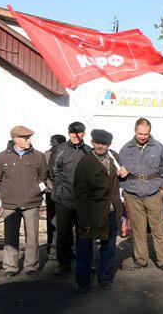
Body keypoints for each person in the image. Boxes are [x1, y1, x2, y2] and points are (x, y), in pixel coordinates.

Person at [0, 126, 48, 277]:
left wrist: (35, 190)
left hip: (32, 202)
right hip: (10, 204)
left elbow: (43, 176)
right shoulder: (1, 158)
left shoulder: (39, 156)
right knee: (10, 236)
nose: (29, 140)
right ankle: (10, 266)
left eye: (29, 137)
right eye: (25, 138)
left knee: (32, 236)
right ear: (15, 139)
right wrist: (7, 191)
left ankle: (31, 265)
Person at [73, 129, 126, 293]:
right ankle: (83, 282)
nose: (100, 146)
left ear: (109, 144)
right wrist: (83, 219)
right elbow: (80, 194)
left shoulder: (114, 157)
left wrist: (125, 174)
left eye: (103, 143)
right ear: (92, 142)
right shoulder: (85, 163)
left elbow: (122, 179)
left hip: (111, 211)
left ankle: (105, 278)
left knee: (108, 248)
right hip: (91, 213)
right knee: (84, 248)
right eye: (97, 143)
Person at [119, 118, 163, 272]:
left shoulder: (159, 148)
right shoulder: (125, 149)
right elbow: (120, 172)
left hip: (154, 194)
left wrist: (162, 191)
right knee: (138, 229)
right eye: (140, 134)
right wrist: (124, 188)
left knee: (158, 229)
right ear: (135, 131)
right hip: (133, 195)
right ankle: (141, 259)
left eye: (146, 134)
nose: (143, 137)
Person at [48, 122, 92, 275]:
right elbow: (53, 173)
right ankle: (63, 264)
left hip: (83, 200)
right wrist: (62, 188)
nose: (75, 135)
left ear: (83, 134)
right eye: (72, 132)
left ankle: (84, 263)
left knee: (84, 233)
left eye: (78, 132)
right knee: (63, 233)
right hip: (63, 199)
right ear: (68, 133)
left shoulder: (88, 151)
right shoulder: (59, 150)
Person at [44, 134, 66, 259]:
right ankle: (53, 249)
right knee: (54, 222)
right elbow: (43, 173)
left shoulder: (48, 154)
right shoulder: (47, 155)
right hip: (53, 192)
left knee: (62, 223)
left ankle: (59, 249)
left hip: (63, 192)